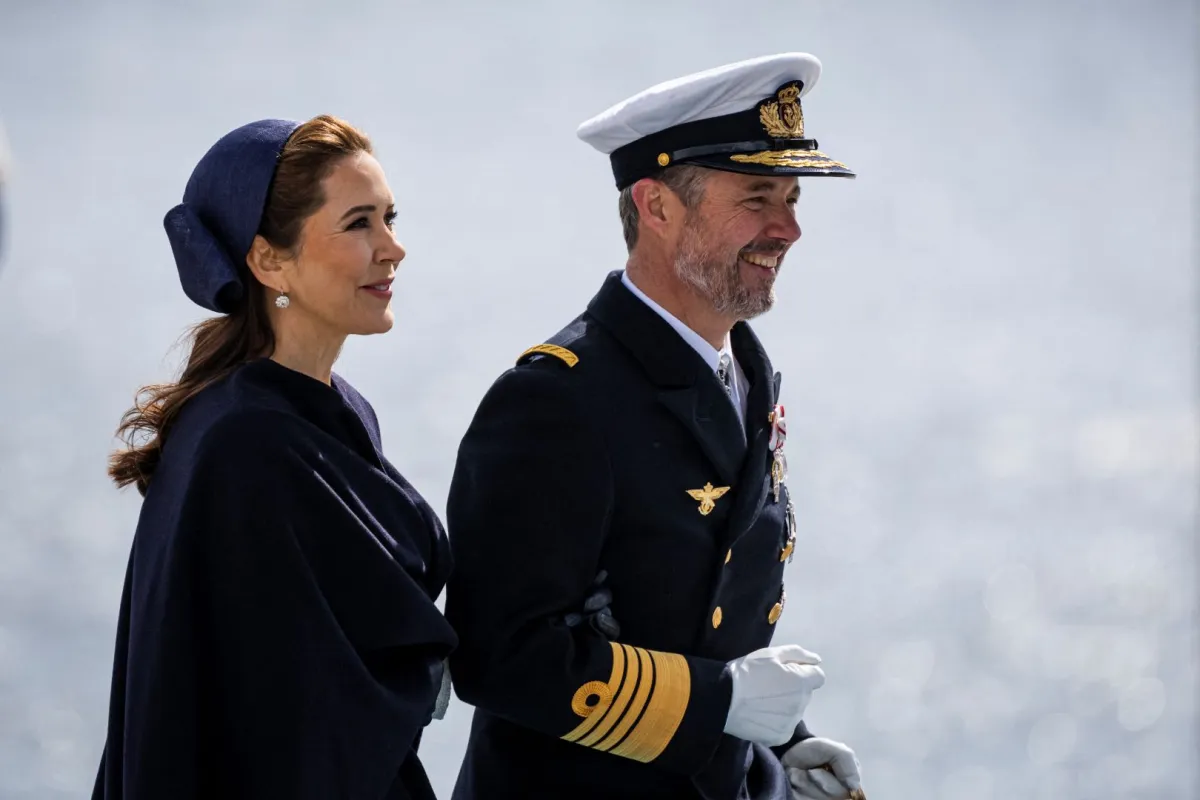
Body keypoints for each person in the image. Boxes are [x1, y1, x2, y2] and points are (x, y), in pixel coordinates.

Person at [444, 53, 867, 800]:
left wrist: (776, 742)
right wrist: (723, 707)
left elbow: (699, 625)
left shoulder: (747, 375)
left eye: (794, 199)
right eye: (758, 197)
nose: (789, 229)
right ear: (658, 207)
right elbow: (500, 654)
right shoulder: (555, 400)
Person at [90, 115, 460, 799]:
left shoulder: (325, 408)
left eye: (390, 217)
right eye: (359, 224)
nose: (394, 248)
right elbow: (279, 717)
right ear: (268, 261)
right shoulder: (246, 443)